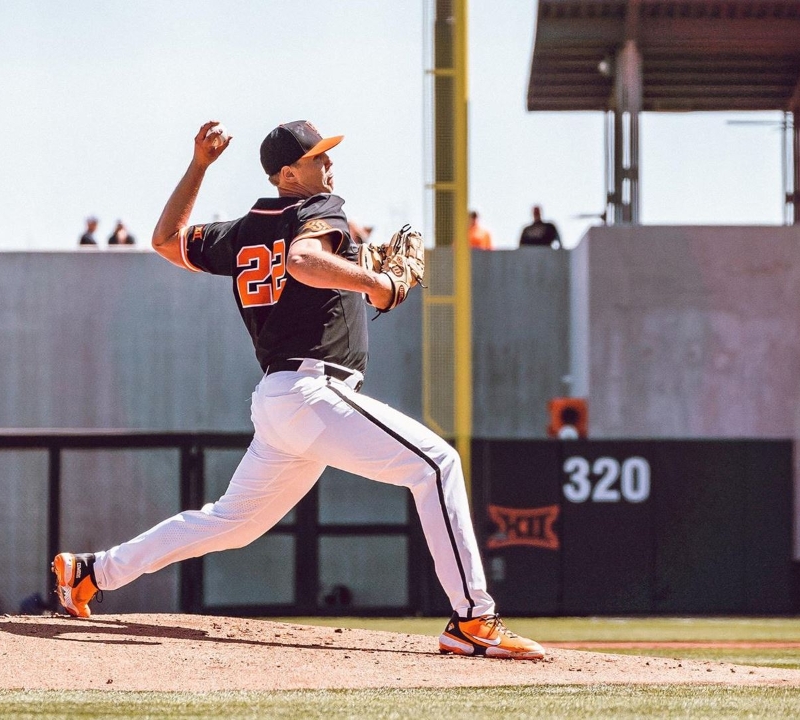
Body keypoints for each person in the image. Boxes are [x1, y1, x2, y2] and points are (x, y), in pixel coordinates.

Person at [51, 120, 544, 660]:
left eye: (328, 156)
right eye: (318, 159)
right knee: (436, 465)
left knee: (229, 524)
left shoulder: (244, 229)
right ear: (288, 173)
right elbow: (303, 261)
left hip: (282, 400)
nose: (329, 166)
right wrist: (377, 283)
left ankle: (92, 573)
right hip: (313, 390)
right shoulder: (318, 212)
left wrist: (198, 166)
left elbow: (167, 241)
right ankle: (474, 619)